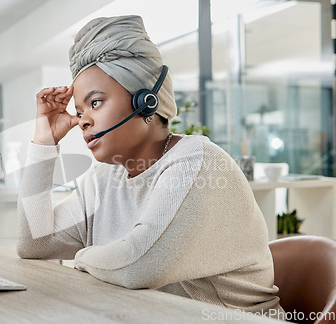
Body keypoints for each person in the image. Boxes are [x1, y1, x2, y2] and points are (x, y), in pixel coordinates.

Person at [17, 15, 284, 317]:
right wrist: (44, 141)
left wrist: (80, 258)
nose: (83, 121)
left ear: (146, 102)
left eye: (95, 102)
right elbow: (34, 244)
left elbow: (137, 266)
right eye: (79, 111)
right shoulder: (105, 177)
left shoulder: (200, 164)